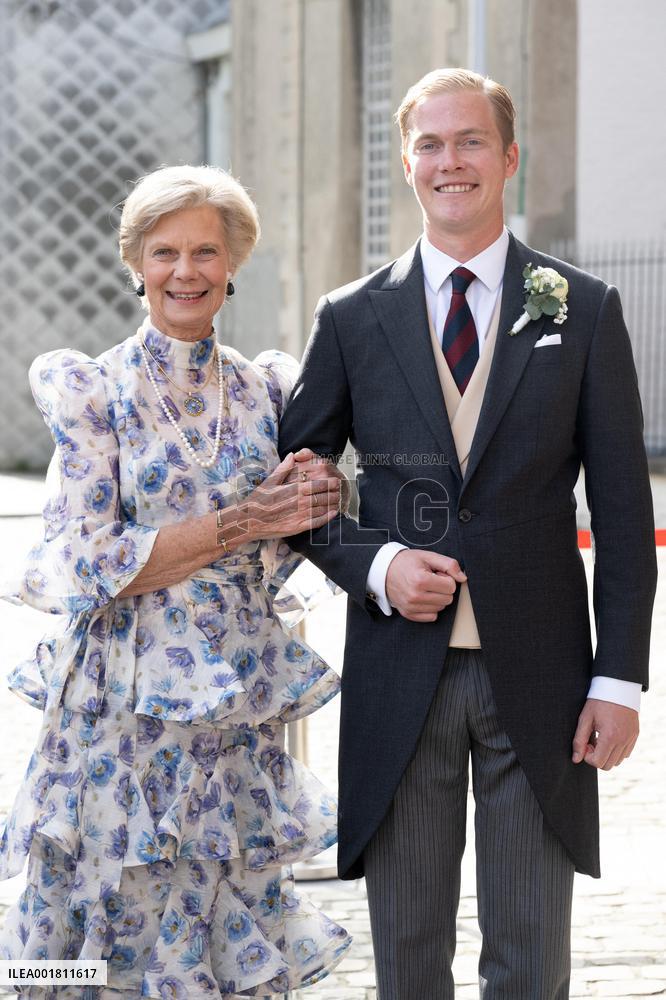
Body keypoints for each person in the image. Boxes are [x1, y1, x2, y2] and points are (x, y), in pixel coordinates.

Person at [278, 68, 657, 999]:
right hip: (399, 672)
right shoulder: (351, 316)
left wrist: (618, 681)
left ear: (510, 156)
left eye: (471, 140)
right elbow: (294, 493)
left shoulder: (583, 309)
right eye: (431, 144)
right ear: (408, 163)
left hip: (545, 679)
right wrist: (378, 565)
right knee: (408, 957)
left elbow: (622, 512)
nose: (451, 161)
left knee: (531, 956)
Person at [0, 164, 352, 998]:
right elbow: (89, 562)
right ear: (136, 264)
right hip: (120, 710)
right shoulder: (94, 391)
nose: (185, 271)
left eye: (204, 251)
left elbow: (284, 544)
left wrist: (315, 500)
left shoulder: (268, 389)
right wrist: (244, 521)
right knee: (103, 917)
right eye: (164, 252)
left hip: (235, 709)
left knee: (221, 907)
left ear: (233, 264)